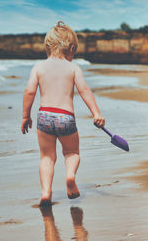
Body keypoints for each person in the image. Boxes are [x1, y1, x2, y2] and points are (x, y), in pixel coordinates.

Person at [21, 21, 105, 206]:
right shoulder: (74, 68)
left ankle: (45, 193)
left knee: (46, 157)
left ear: (48, 47)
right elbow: (84, 91)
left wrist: (25, 116)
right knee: (72, 152)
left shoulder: (38, 67)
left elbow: (29, 92)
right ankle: (70, 176)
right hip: (65, 117)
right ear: (72, 48)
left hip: (44, 115)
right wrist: (96, 113)